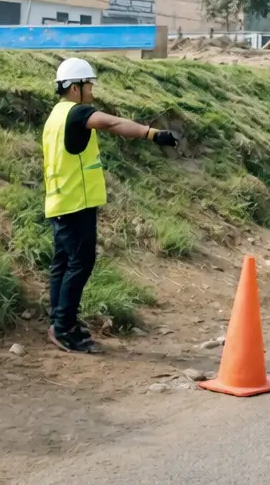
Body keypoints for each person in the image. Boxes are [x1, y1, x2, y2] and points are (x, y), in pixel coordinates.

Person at [43, 56, 178, 353]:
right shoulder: (77, 113)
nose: (91, 90)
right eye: (88, 84)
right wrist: (152, 133)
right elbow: (113, 123)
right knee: (80, 263)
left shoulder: (55, 115)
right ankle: (63, 327)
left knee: (63, 264)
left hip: (60, 200)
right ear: (75, 88)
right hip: (76, 202)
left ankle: (60, 320)